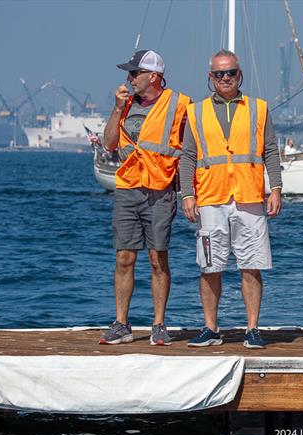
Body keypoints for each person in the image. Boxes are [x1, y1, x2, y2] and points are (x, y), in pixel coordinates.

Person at [179, 49, 282, 349]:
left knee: (252, 265)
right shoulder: (195, 111)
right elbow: (188, 156)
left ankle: (252, 329)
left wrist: (275, 187)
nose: (225, 78)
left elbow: (271, 150)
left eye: (231, 73)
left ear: (240, 75)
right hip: (211, 197)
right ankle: (211, 328)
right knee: (210, 266)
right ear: (210, 77)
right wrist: (187, 194)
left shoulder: (259, 108)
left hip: (249, 196)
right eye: (219, 74)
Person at [100, 50, 191, 346]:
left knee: (157, 258)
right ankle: (121, 323)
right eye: (129, 73)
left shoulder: (180, 104)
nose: (129, 79)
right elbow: (110, 143)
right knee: (124, 256)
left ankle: (159, 324)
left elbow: (192, 148)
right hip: (128, 186)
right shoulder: (125, 105)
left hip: (160, 189)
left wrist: (190, 189)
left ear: (154, 76)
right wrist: (116, 108)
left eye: (134, 73)